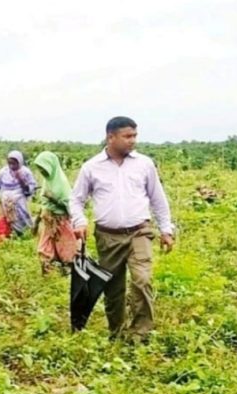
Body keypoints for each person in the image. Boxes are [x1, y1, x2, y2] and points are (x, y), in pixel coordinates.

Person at [70, 116, 175, 342]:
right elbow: (76, 200)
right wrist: (79, 221)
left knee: (142, 280)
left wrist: (166, 229)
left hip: (140, 231)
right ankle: (116, 333)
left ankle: (140, 334)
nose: (133, 141)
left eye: (135, 136)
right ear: (111, 137)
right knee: (112, 288)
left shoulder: (144, 164)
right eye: (127, 136)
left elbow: (158, 198)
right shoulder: (91, 167)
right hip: (108, 236)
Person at [33, 151, 78, 273]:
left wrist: (54, 199)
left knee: (65, 247)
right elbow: (43, 203)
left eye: (44, 169)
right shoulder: (47, 180)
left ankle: (67, 269)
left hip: (61, 221)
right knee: (45, 247)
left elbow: (70, 207)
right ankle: (47, 269)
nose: (42, 172)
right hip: (48, 221)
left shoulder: (62, 184)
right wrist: (36, 221)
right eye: (40, 169)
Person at [0, 150, 37, 239]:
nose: (12, 166)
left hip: (19, 203)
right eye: (10, 163)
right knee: (3, 220)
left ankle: (23, 236)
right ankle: (4, 239)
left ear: (20, 162)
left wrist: (23, 182)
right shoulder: (3, 172)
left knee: (21, 221)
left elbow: (31, 188)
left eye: (14, 164)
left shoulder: (25, 172)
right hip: (4, 203)